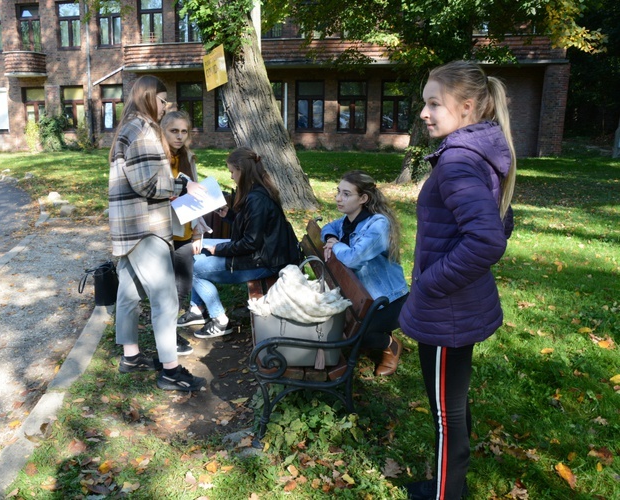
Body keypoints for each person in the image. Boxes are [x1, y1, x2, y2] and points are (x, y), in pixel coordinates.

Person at [399, 60, 516, 499]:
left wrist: (429, 284)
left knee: (447, 414)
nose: (424, 113)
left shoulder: (456, 163)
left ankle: (448, 495)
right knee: (454, 405)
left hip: (446, 311)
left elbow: (486, 241)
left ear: (467, 107)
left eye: (434, 104)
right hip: (458, 305)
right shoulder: (479, 151)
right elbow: (499, 221)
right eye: (424, 103)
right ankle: (450, 484)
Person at [108, 75, 206, 392]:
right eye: (163, 101)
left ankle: (131, 356)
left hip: (128, 229)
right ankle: (170, 370)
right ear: (150, 98)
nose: (166, 108)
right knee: (164, 300)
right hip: (145, 229)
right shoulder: (142, 130)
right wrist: (183, 184)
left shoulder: (129, 129)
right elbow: (149, 184)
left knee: (129, 294)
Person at [183, 147, 301, 339]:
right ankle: (197, 309)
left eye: (232, 172)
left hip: (264, 263)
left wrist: (218, 249)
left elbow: (250, 242)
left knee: (192, 267)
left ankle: (219, 320)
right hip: (264, 256)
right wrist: (229, 216)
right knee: (195, 256)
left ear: (242, 171)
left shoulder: (257, 199)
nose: (231, 177)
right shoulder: (258, 192)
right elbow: (253, 229)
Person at [321, 170, 409, 376]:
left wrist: (334, 246)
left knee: (356, 337)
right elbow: (328, 227)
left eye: (346, 194)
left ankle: (391, 344)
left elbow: (354, 258)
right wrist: (332, 238)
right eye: (338, 192)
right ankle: (376, 332)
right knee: (343, 331)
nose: (338, 198)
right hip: (363, 297)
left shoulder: (378, 224)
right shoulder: (348, 219)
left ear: (363, 198)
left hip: (389, 301)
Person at [160, 110, 212, 355]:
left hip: (184, 230)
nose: (179, 136)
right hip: (160, 231)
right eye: (174, 131)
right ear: (163, 131)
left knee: (183, 284)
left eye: (184, 131)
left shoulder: (188, 157)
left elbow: (198, 195)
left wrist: (198, 233)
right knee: (163, 287)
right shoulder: (156, 158)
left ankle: (170, 332)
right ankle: (167, 336)